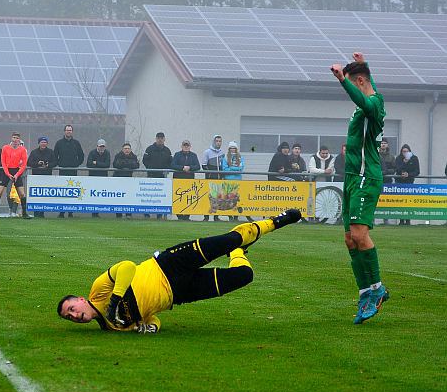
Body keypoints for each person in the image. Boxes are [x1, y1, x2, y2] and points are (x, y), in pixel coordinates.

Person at [57, 209, 302, 333]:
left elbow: (127, 266)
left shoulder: (98, 291)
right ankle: (240, 252)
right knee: (243, 276)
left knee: (230, 239)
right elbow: (152, 320)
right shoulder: (112, 327)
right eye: (70, 316)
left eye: (71, 309)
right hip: (181, 293)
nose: (73, 315)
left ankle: (276, 222)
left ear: (80, 300)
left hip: (169, 264)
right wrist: (149, 328)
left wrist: (116, 298)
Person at [331, 51, 389, 324]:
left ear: (360, 81)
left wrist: (343, 81)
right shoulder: (370, 95)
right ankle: (365, 291)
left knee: (359, 234)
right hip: (352, 177)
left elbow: (364, 96)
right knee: (348, 238)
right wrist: (364, 64)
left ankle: (377, 290)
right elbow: (368, 87)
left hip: (367, 176)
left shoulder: (373, 104)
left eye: (355, 84)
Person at [0, 132, 30, 219]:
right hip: (6, 171)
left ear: (19, 140)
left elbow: (24, 164)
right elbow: (3, 162)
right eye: (14, 137)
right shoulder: (5, 148)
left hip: (17, 171)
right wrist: (8, 174)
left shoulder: (22, 149)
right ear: (11, 138)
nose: (15, 139)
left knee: (22, 193)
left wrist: (17, 175)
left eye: (17, 138)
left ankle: (24, 213)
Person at [53, 124, 84, 218]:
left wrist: (76, 164)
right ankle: (61, 212)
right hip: (62, 170)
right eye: (67, 130)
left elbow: (81, 155)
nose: (68, 132)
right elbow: (55, 156)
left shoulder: (76, 143)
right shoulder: (59, 143)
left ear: (72, 132)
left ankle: (71, 212)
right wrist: (60, 164)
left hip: (73, 170)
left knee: (72, 191)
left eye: (70, 130)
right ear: (64, 131)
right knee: (63, 191)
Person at [142, 131, 172, 219]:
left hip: (162, 177)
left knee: (160, 196)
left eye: (161, 138)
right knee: (148, 196)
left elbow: (170, 162)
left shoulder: (167, 150)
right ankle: (146, 214)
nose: (160, 140)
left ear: (164, 139)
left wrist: (165, 170)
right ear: (156, 139)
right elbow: (145, 160)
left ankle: (159, 215)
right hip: (151, 176)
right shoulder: (149, 149)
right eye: (158, 138)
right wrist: (150, 168)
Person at [27, 136, 57, 218]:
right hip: (36, 177)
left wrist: (48, 165)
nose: (43, 144)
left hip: (46, 177)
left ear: (47, 143)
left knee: (44, 195)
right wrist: (37, 163)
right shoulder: (34, 152)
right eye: (42, 142)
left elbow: (55, 162)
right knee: (36, 195)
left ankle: (42, 212)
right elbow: (29, 162)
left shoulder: (51, 152)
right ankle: (36, 212)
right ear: (39, 143)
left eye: (45, 142)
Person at [171, 140, 201, 220]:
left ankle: (187, 216)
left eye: (187, 145)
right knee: (178, 198)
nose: (186, 147)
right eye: (184, 145)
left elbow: (198, 166)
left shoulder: (194, 155)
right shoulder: (177, 155)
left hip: (189, 181)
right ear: (181, 146)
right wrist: (182, 168)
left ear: (190, 146)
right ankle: (179, 216)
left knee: (189, 199)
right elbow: (173, 165)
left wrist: (190, 167)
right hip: (178, 181)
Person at [395, 144, 420, 225]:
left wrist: (408, 174)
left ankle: (408, 220)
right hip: (399, 182)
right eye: (403, 151)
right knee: (400, 202)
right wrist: (404, 163)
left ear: (410, 151)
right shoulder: (399, 158)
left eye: (406, 151)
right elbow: (397, 169)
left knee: (409, 201)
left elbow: (417, 171)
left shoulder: (414, 158)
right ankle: (401, 220)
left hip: (409, 182)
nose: (405, 153)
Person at [112, 143, 139, 218]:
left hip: (129, 180)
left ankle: (128, 214)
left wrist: (124, 163)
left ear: (130, 150)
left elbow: (136, 165)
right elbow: (116, 164)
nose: (127, 150)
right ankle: (118, 214)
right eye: (125, 148)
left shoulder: (134, 156)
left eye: (128, 148)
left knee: (129, 197)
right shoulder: (118, 156)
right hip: (118, 179)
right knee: (118, 197)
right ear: (122, 149)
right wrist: (128, 164)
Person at [85, 139, 111, 217]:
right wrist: (100, 164)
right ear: (97, 146)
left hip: (103, 177)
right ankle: (94, 212)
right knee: (93, 195)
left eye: (103, 146)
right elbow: (89, 164)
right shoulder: (92, 152)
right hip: (93, 177)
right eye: (100, 146)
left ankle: (97, 212)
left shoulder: (107, 153)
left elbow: (107, 165)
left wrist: (96, 162)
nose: (102, 148)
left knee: (100, 195)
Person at [202, 135, 225, 221]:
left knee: (218, 198)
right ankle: (206, 217)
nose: (218, 143)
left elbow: (222, 165)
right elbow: (204, 165)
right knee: (208, 198)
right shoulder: (207, 152)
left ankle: (216, 216)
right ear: (214, 142)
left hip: (219, 179)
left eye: (220, 141)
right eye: (217, 141)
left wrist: (222, 175)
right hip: (209, 178)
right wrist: (210, 173)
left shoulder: (222, 153)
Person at [221, 141, 244, 221]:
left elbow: (241, 168)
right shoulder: (225, 157)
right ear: (229, 149)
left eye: (234, 148)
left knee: (237, 199)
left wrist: (231, 167)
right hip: (228, 181)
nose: (233, 149)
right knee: (228, 199)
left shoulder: (240, 157)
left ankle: (236, 216)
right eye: (231, 148)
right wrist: (235, 169)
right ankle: (230, 216)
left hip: (238, 181)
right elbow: (224, 169)